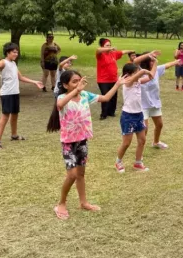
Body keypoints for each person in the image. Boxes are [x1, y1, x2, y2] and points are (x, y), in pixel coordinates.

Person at [46, 70, 126, 220]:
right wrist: (76, 90)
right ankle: (61, 203)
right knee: (72, 175)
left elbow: (106, 97)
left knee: (81, 174)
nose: (78, 84)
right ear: (65, 85)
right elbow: (60, 105)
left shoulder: (85, 95)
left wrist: (117, 84)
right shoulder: (63, 97)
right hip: (68, 143)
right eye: (74, 81)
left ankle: (83, 202)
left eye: (79, 80)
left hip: (82, 140)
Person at [0, 43, 43, 150]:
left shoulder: (14, 64)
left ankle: (14, 135)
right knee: (5, 116)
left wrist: (34, 82)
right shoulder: (4, 62)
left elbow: (21, 77)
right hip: (7, 93)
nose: (16, 54)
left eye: (17, 52)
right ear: (8, 53)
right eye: (14, 52)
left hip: (15, 92)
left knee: (15, 114)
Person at [114, 63, 157, 173]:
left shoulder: (137, 81)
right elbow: (134, 78)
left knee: (142, 140)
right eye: (136, 72)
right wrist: (143, 71)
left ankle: (138, 163)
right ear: (128, 74)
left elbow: (151, 75)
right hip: (128, 116)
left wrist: (155, 63)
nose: (138, 74)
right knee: (126, 143)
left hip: (139, 114)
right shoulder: (127, 82)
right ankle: (118, 162)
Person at [140, 54, 180, 149]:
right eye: (151, 61)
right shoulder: (140, 72)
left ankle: (156, 142)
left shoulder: (157, 70)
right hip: (143, 105)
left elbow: (167, 65)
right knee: (144, 129)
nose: (154, 63)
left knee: (159, 124)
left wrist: (176, 62)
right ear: (146, 62)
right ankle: (140, 147)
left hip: (155, 103)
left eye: (155, 61)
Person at [95, 38, 134, 120]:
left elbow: (123, 52)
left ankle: (111, 112)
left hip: (113, 79)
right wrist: (109, 49)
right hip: (103, 80)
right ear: (103, 46)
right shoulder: (101, 55)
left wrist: (131, 50)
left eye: (110, 45)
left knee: (113, 96)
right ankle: (104, 114)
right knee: (105, 95)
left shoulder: (113, 54)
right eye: (107, 45)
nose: (109, 47)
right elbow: (98, 50)